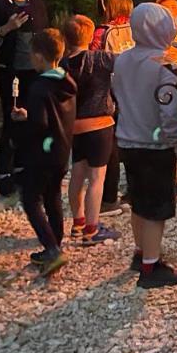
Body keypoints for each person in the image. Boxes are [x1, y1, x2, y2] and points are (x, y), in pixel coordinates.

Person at [112, 3, 177, 289]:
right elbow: (170, 114)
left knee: (138, 201)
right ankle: (151, 268)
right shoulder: (163, 66)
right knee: (157, 208)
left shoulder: (122, 60)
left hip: (127, 143)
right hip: (154, 147)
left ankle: (141, 252)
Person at [10, 28, 77, 277]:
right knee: (53, 198)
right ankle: (55, 242)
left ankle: (51, 249)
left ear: (38, 56)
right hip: (61, 152)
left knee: (31, 199)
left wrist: (22, 122)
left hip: (42, 154)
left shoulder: (39, 88)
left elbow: (39, 125)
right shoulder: (66, 82)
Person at [0, 0, 49, 196]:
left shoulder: (37, 4)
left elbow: (45, 36)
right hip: (10, 70)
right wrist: (6, 28)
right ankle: (5, 174)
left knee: (34, 118)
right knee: (12, 120)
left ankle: (26, 168)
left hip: (34, 71)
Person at [60, 15, 120, 245]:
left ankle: (78, 223)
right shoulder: (100, 59)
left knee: (77, 174)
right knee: (97, 178)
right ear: (91, 36)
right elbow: (125, 61)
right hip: (100, 126)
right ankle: (92, 229)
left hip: (74, 128)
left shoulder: (63, 64)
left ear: (66, 38)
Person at [91, 0, 135, 215]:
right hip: (135, 93)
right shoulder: (136, 29)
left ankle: (108, 198)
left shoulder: (101, 32)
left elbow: (91, 61)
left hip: (109, 96)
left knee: (111, 148)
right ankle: (135, 191)